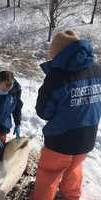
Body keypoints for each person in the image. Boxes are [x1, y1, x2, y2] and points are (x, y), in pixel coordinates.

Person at [30, 30, 101, 200]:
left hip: (61, 139)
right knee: (74, 168)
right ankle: (72, 196)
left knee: (49, 173)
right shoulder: (97, 70)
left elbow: (44, 112)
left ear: (59, 53)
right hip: (87, 136)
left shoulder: (57, 77)